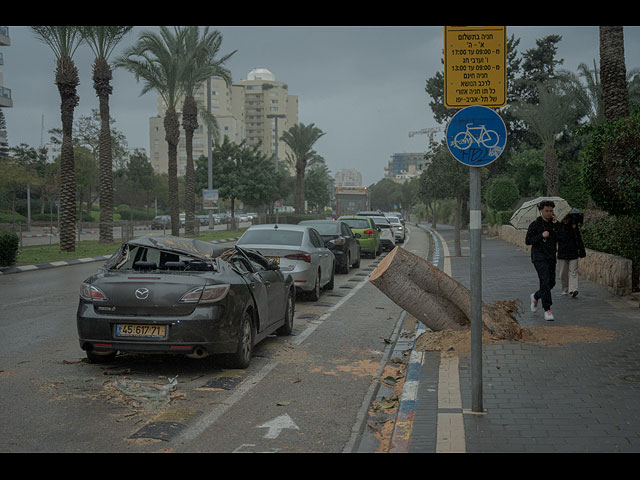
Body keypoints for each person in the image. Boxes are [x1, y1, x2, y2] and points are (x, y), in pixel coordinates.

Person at [525, 200, 559, 321]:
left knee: (551, 283)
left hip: (550, 256)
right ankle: (547, 309)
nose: (549, 213)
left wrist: (556, 226)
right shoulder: (535, 225)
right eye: (547, 211)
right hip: (538, 257)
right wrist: (541, 236)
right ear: (541, 211)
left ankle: (536, 296)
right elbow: (528, 240)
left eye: (551, 211)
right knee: (544, 280)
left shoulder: (554, 224)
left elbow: (560, 238)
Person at [557, 213, 586, 297]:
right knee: (563, 273)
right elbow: (556, 238)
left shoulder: (574, 227)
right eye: (564, 218)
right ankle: (565, 289)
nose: (565, 219)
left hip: (573, 252)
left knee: (573, 272)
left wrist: (581, 250)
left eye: (567, 218)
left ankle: (573, 289)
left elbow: (578, 238)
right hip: (562, 253)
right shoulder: (559, 226)